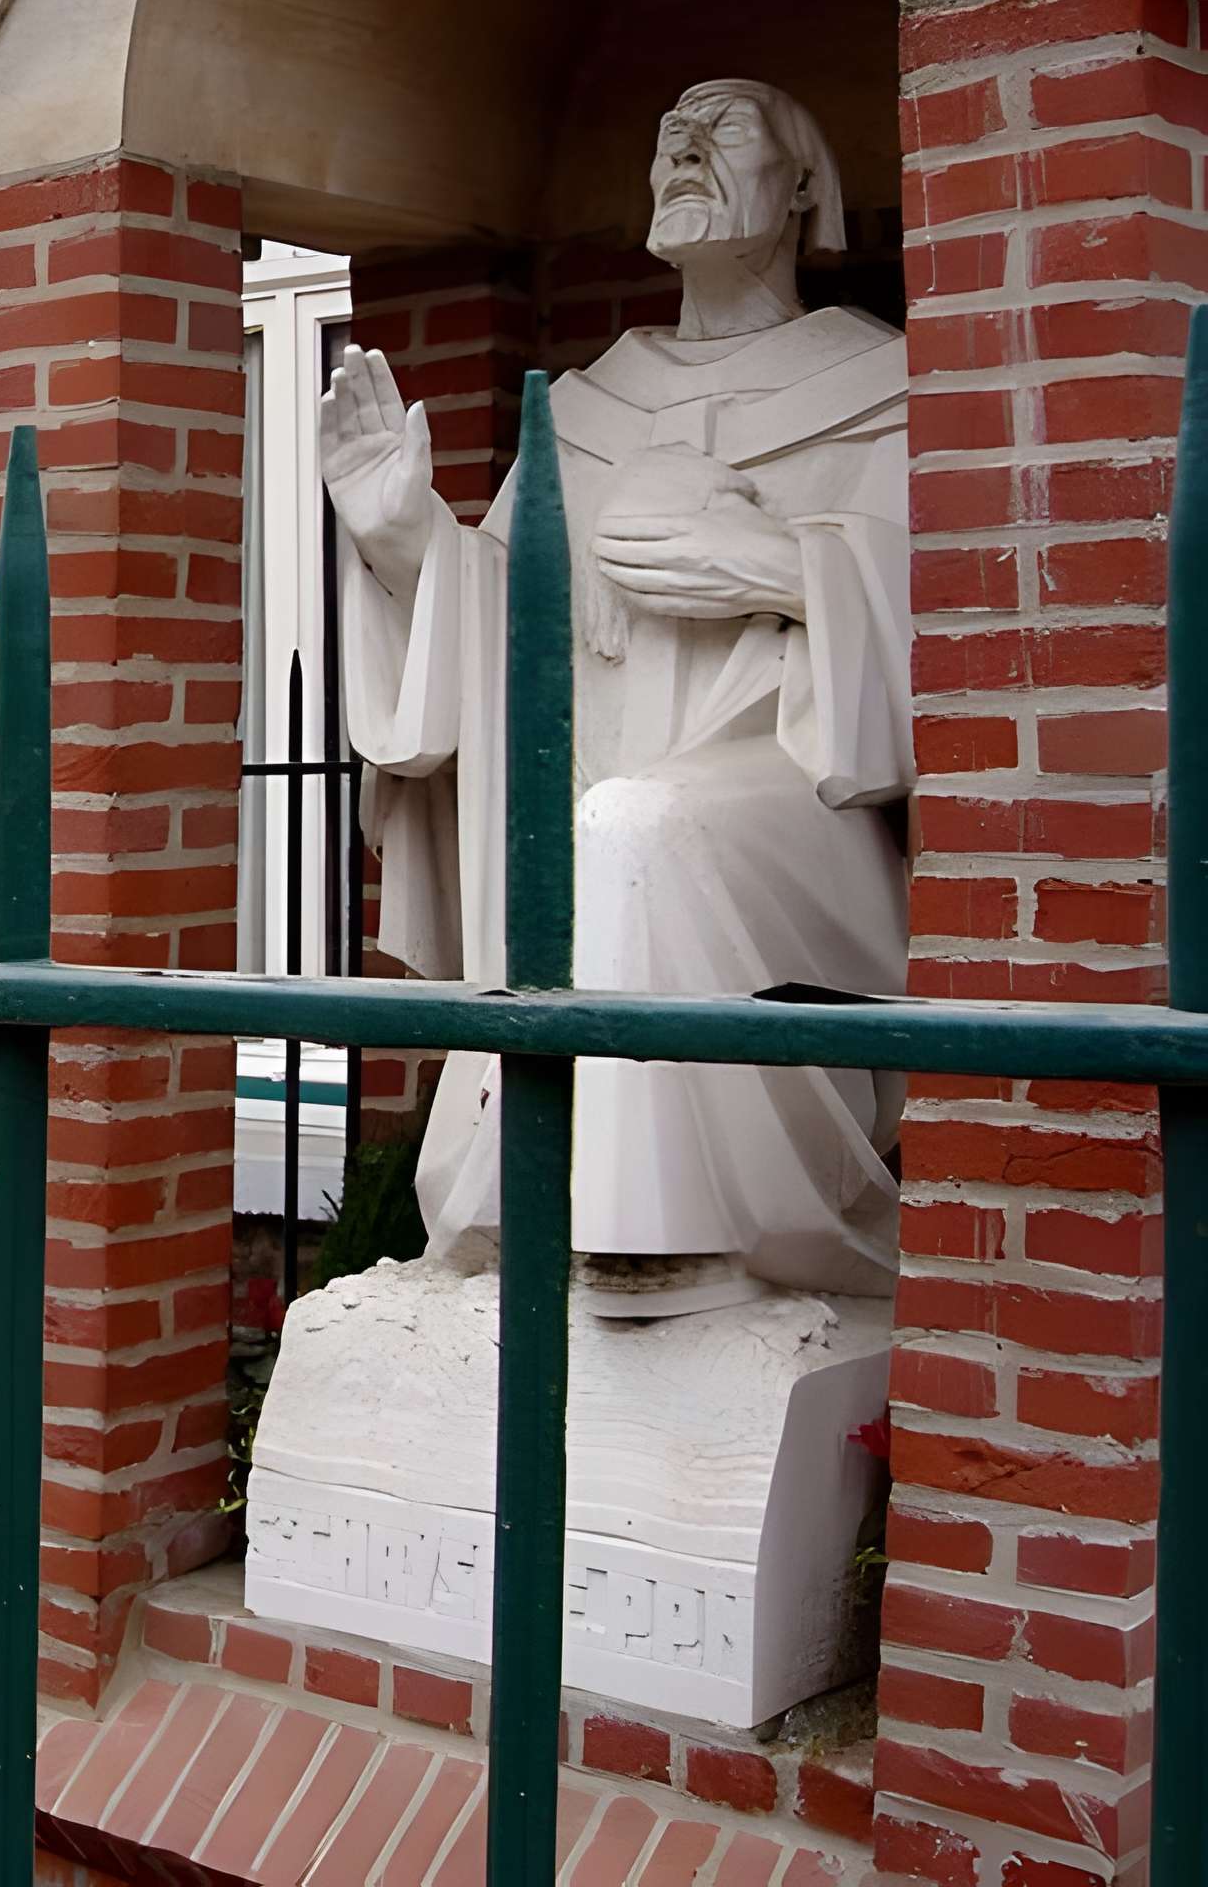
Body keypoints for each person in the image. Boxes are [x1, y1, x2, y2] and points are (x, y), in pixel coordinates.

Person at [317, 79, 908, 1309]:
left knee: (640, 824)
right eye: (664, 134)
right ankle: (539, 1212)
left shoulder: (883, 391)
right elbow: (505, 618)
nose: (681, 146)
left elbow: (949, 639)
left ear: (804, 187)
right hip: (606, 776)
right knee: (594, 824)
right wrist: (401, 537)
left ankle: (654, 1237)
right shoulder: (583, 411)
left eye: (724, 126)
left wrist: (773, 568)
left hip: (789, 812)